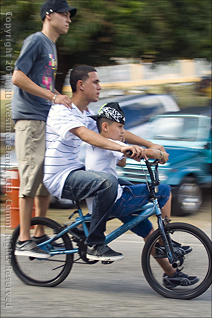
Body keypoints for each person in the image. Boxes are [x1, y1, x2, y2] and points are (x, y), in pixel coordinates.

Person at [43, 64, 171, 262]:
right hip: (60, 177)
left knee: (127, 186)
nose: (100, 86)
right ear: (81, 85)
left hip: (77, 171)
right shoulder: (62, 111)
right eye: (95, 82)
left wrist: (149, 144)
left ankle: (160, 243)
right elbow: (85, 135)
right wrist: (120, 147)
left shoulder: (86, 114)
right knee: (108, 182)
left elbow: (115, 130)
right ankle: (95, 243)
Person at [85, 102, 198, 288]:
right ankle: (165, 239)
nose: (123, 131)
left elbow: (121, 161)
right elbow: (142, 153)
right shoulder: (109, 143)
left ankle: (171, 274)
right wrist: (158, 153)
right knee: (164, 190)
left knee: (147, 231)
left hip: (109, 202)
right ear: (105, 127)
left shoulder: (104, 144)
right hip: (116, 201)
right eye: (120, 127)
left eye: (123, 127)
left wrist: (130, 149)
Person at [12, 0, 77, 258]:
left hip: (44, 118)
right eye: (65, 14)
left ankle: (40, 234)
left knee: (44, 180)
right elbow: (18, 76)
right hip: (29, 120)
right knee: (30, 177)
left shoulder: (51, 46)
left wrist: (59, 97)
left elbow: (44, 83)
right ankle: (24, 239)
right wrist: (52, 98)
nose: (69, 19)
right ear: (49, 16)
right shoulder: (37, 41)